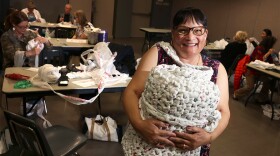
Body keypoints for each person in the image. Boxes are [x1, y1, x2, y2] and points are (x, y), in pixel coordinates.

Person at [121, 7, 230, 155]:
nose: (190, 37)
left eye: (197, 30)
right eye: (183, 30)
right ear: (173, 33)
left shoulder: (216, 69)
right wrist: (139, 124)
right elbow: (131, 92)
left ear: (205, 34)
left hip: (193, 149)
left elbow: (223, 110)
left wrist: (209, 137)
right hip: (149, 146)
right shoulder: (159, 55)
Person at [233, 36, 277, 100]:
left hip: (259, 72)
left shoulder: (268, 50)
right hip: (251, 71)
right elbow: (258, 62)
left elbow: (271, 62)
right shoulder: (259, 49)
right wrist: (268, 53)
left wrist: (273, 56)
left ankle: (262, 98)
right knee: (250, 87)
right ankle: (236, 93)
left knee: (268, 80)